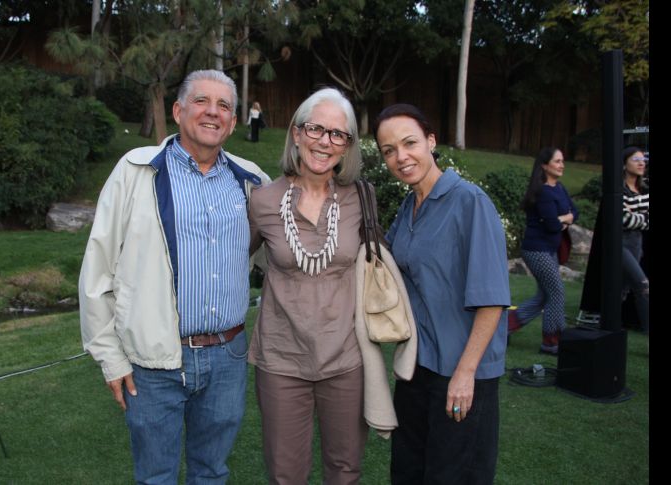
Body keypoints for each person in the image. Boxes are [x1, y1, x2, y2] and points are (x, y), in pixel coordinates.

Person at [78, 69, 270, 484]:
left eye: (224, 106)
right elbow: (97, 269)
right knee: (156, 477)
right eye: (201, 101)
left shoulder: (252, 182)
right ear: (178, 110)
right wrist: (110, 358)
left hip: (227, 356)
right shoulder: (135, 172)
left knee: (212, 472)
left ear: (234, 122)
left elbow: (278, 253)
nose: (213, 113)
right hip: (154, 362)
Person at [373, 104, 510, 485]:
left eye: (409, 143)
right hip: (417, 369)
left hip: (461, 371)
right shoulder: (408, 205)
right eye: (388, 150)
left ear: (431, 141)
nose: (400, 157)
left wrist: (465, 375)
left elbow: (493, 299)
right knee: (408, 472)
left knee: (453, 476)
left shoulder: (469, 202)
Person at [248, 87, 368, 484]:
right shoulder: (263, 201)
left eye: (338, 134)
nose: (325, 141)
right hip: (282, 359)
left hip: (345, 359)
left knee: (345, 469)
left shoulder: (360, 199)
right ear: (297, 133)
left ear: (347, 146)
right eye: (316, 129)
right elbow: (230, 263)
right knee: (286, 474)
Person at [507, 147, 578, 355]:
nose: (562, 165)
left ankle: (503, 328)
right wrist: (564, 219)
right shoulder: (544, 192)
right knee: (556, 291)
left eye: (562, 161)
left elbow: (576, 211)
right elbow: (552, 226)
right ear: (545, 166)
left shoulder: (559, 188)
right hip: (536, 250)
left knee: (543, 295)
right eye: (557, 161)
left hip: (550, 248)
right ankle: (551, 341)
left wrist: (563, 218)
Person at [621, 146, 649, 333]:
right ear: (624, 164)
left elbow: (639, 220)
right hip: (620, 243)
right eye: (636, 159)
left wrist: (637, 217)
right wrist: (642, 218)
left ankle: (607, 328)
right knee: (642, 285)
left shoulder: (644, 188)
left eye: (643, 159)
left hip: (637, 243)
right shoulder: (618, 188)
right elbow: (623, 219)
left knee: (621, 290)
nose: (641, 163)